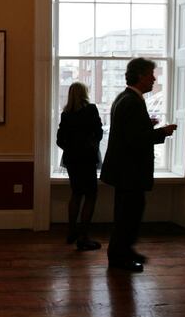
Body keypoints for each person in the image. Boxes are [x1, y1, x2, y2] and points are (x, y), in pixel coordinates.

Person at [100, 58, 177, 272]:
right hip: (129, 171)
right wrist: (162, 131)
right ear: (141, 75)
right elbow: (135, 140)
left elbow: (130, 131)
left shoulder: (126, 98)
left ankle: (125, 251)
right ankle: (119, 258)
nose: (154, 78)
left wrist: (147, 124)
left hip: (125, 170)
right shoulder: (132, 101)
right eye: (151, 74)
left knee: (129, 213)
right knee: (127, 215)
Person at [56, 82, 103, 251]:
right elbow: (99, 133)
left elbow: (59, 140)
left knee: (76, 193)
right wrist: (89, 144)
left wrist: (72, 148)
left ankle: (71, 232)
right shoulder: (91, 109)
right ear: (85, 93)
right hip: (88, 158)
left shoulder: (66, 114)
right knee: (91, 195)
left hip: (72, 159)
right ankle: (84, 237)